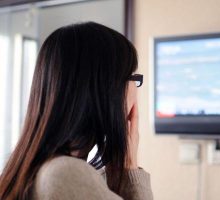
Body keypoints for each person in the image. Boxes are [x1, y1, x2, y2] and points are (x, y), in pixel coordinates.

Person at [0, 22, 153, 200]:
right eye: (132, 77)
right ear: (104, 88)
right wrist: (130, 167)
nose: (135, 88)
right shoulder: (66, 174)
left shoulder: (46, 168)